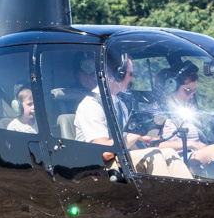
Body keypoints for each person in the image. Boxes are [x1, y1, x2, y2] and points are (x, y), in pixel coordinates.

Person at [74, 50, 192, 179]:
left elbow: (130, 146)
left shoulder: (120, 104)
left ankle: (191, 196)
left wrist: (143, 139)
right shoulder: (92, 104)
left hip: (121, 161)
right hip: (98, 169)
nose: (132, 79)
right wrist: (134, 135)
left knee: (169, 153)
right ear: (118, 74)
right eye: (130, 74)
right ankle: (165, 198)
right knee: (155, 155)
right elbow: (104, 153)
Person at [153, 62, 214, 168]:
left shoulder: (183, 110)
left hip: (192, 156)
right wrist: (191, 144)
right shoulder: (156, 111)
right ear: (171, 87)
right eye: (187, 91)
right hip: (175, 161)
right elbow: (151, 145)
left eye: (193, 91)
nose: (191, 96)